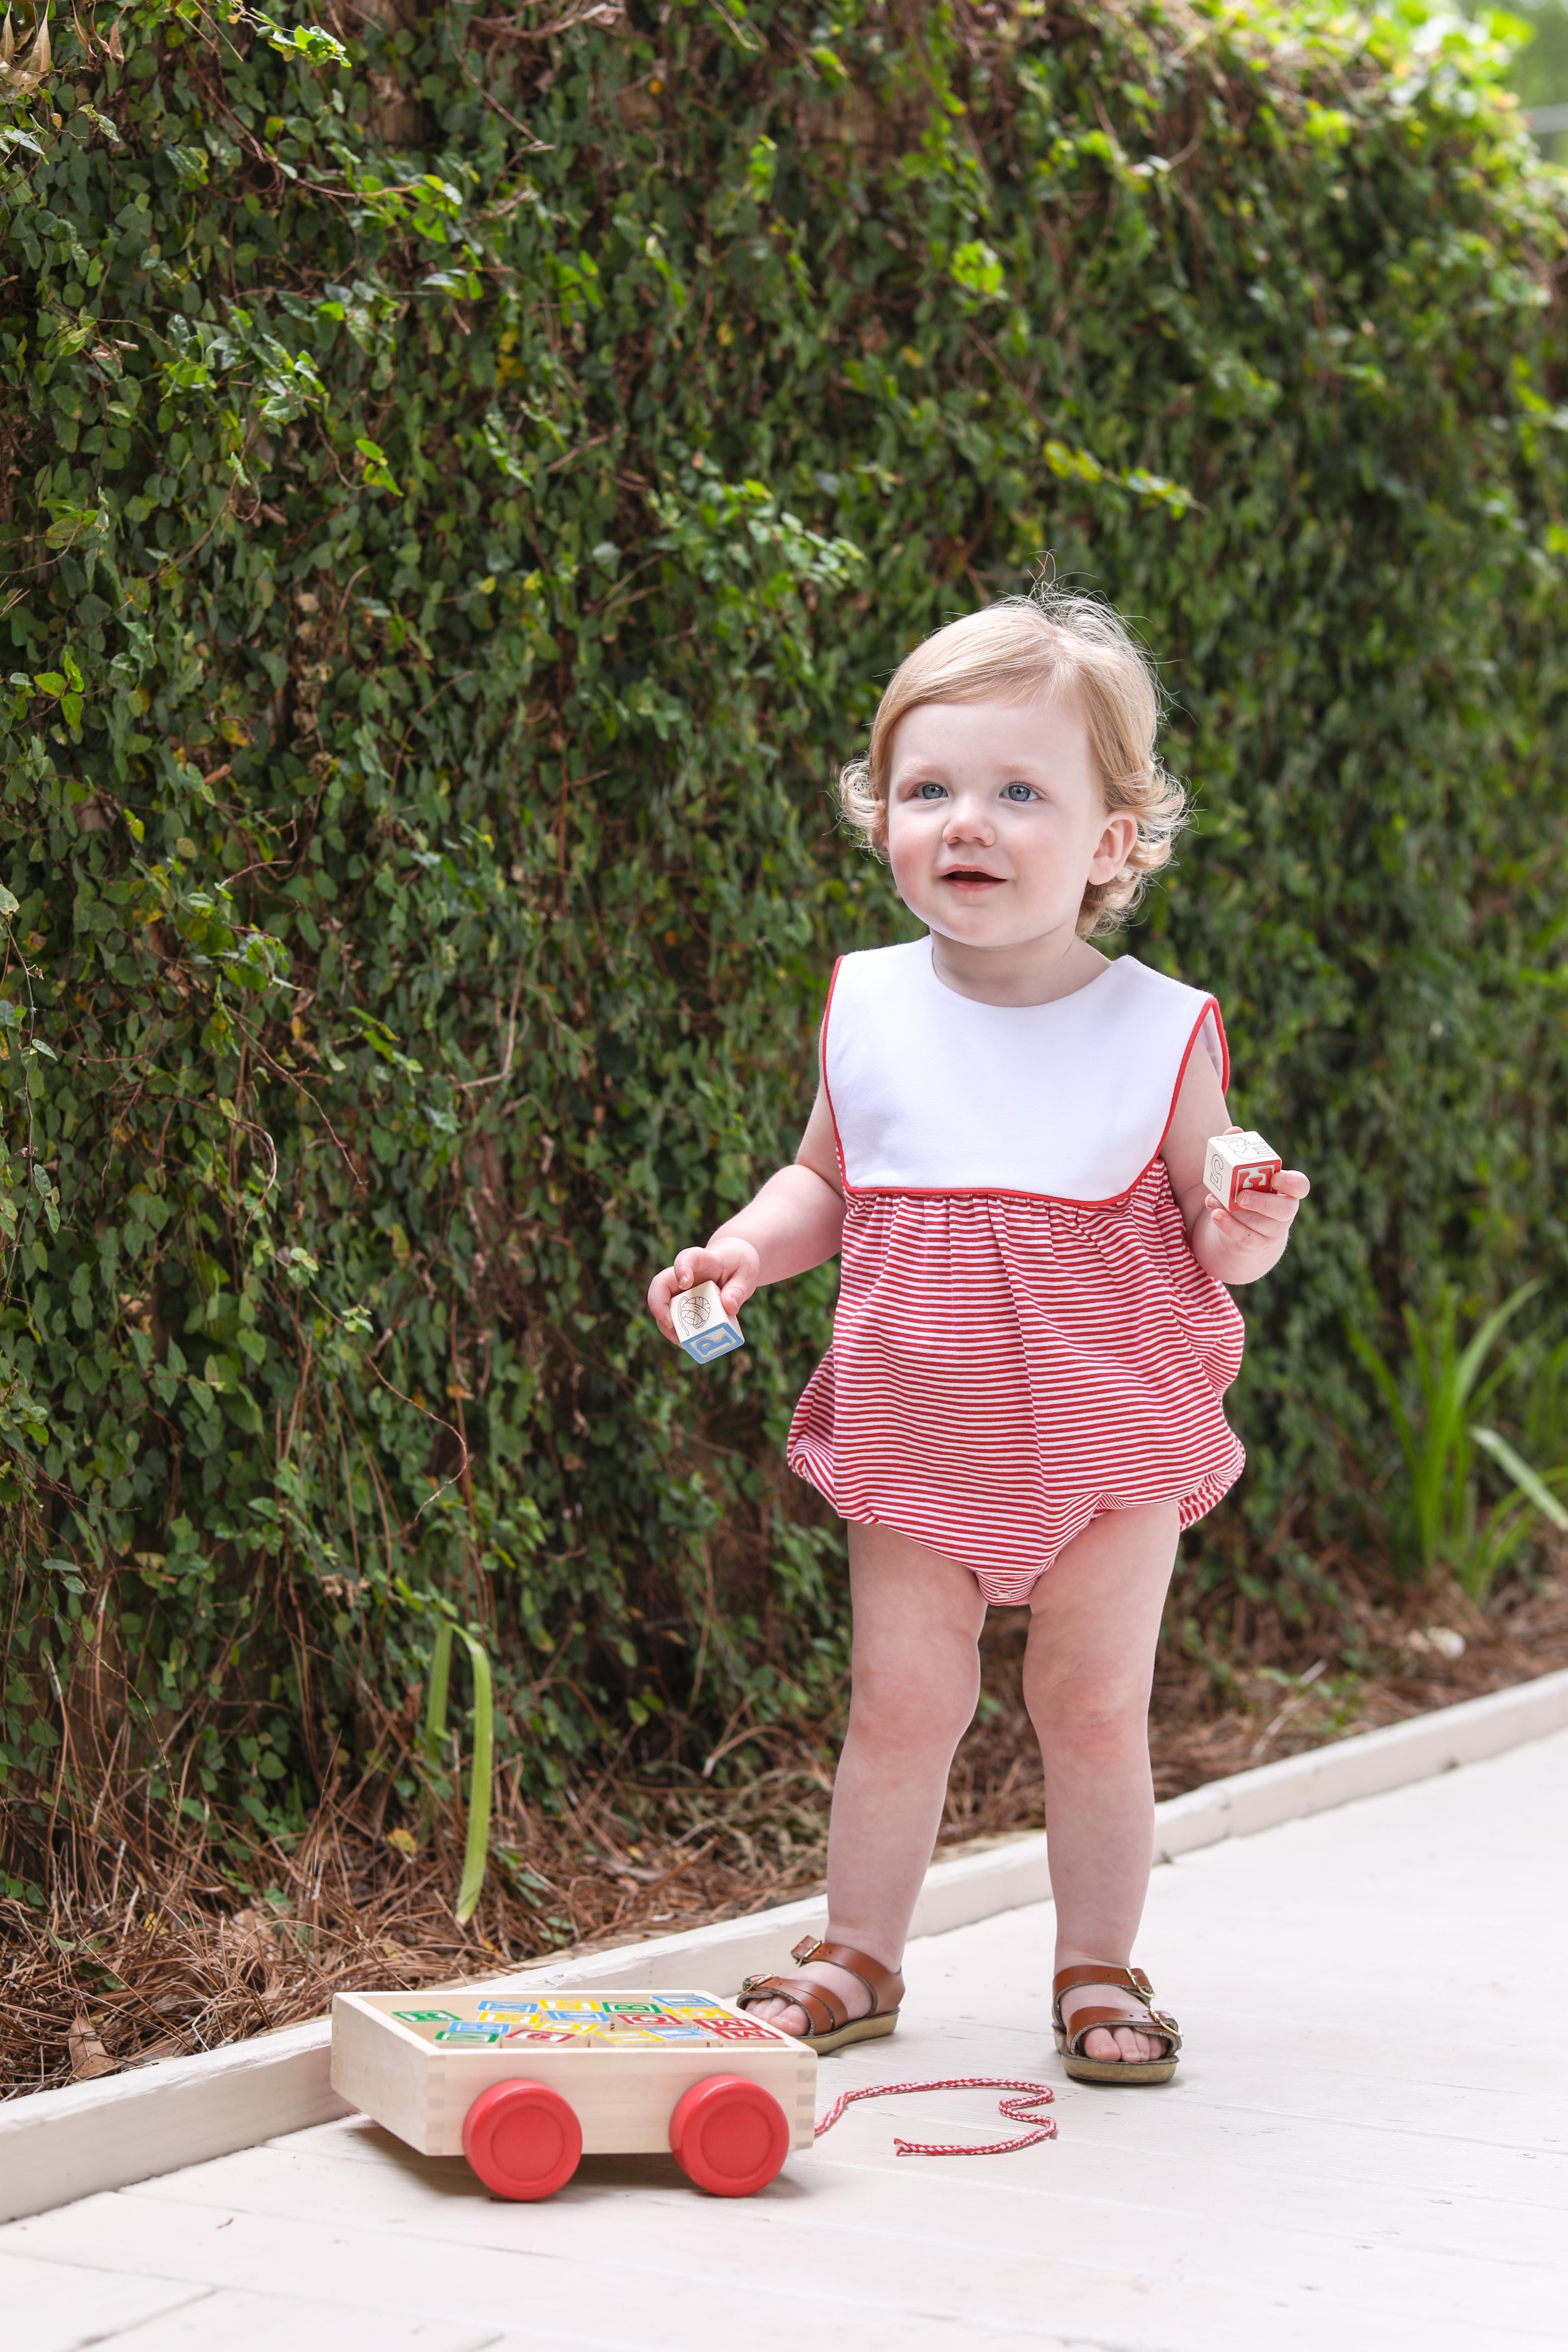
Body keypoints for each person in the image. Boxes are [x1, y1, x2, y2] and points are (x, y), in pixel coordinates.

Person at [646, 590, 1309, 2085]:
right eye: (928, 788)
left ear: (1111, 842)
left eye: (1021, 792)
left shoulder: (1160, 1027)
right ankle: (857, 1953)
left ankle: (1097, 1967)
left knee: (1091, 1708)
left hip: (1106, 1435)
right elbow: (829, 1180)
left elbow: (1209, 1217)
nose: (967, 822)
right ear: (880, 814)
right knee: (899, 1702)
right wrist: (744, 1250)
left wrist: (1247, 1230)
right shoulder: (868, 1006)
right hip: (915, 1430)